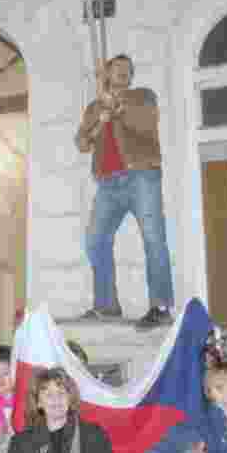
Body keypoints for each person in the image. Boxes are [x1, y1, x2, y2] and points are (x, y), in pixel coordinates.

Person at [75, 54, 174, 330]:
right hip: (108, 183)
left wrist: (116, 106)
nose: (122, 72)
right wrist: (99, 120)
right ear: (106, 73)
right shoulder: (94, 107)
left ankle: (161, 306)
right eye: (116, 68)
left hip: (141, 176)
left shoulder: (143, 97)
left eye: (127, 70)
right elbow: (82, 142)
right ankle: (107, 306)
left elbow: (142, 123)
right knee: (95, 241)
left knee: (154, 239)